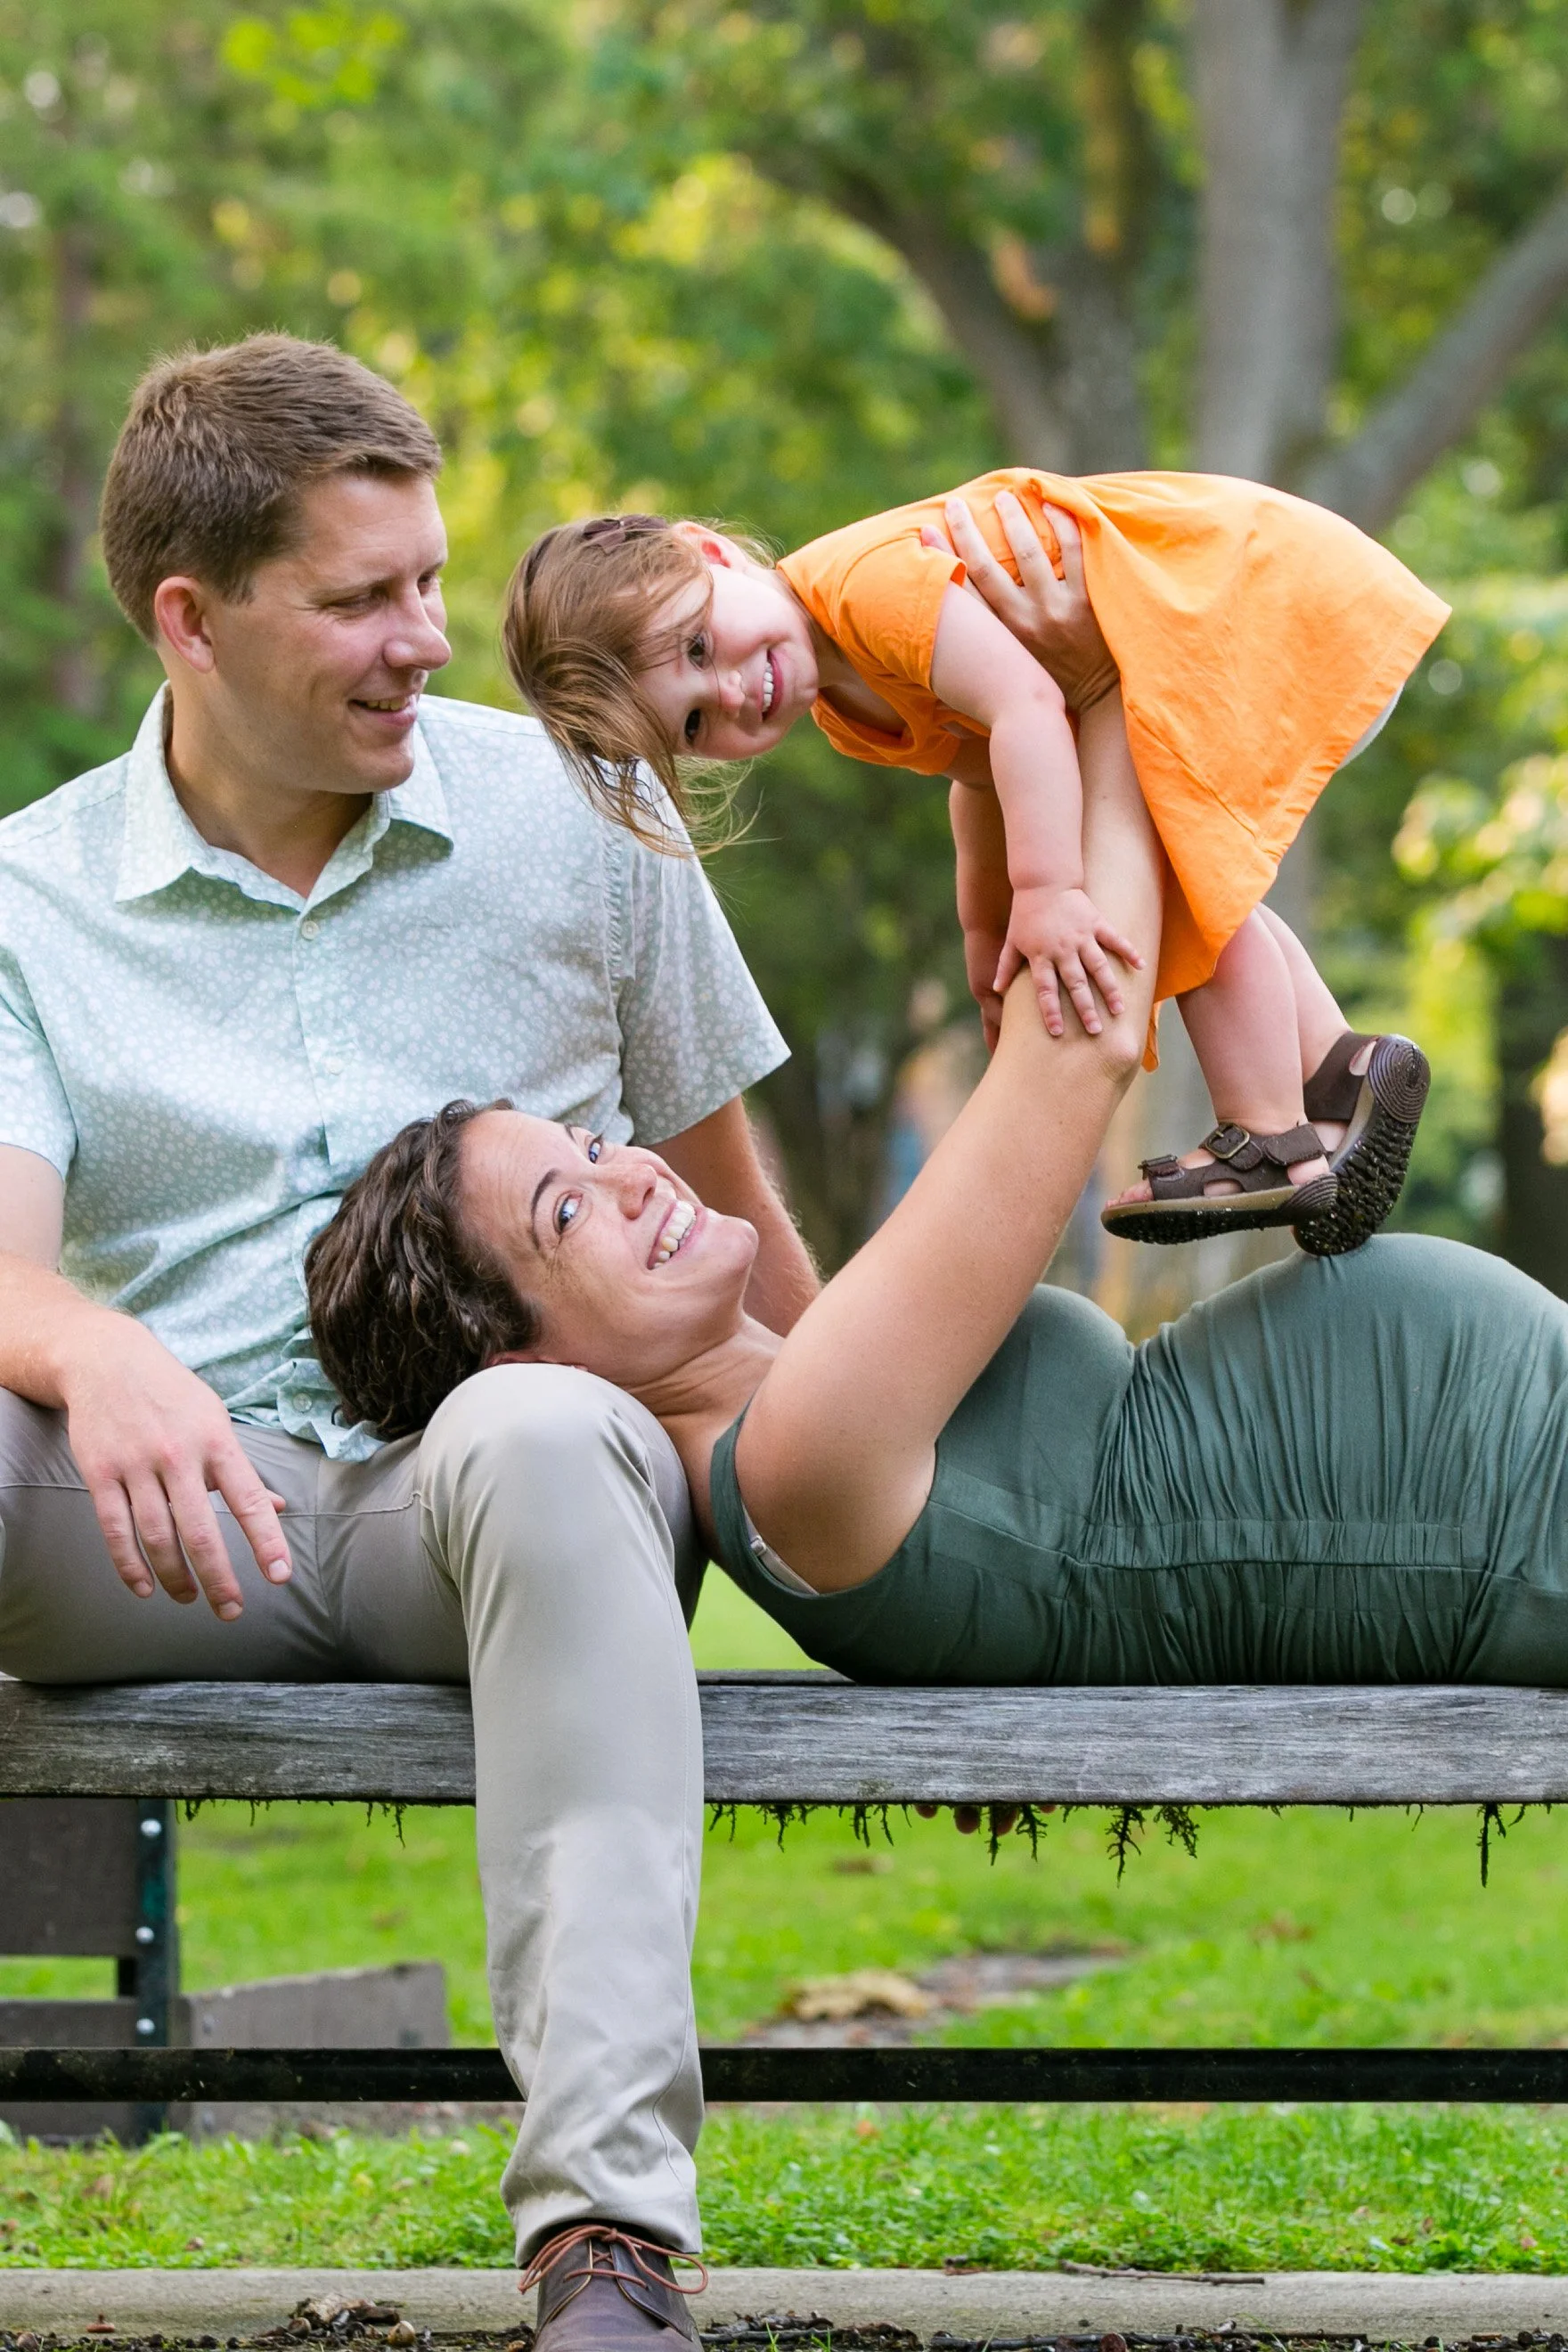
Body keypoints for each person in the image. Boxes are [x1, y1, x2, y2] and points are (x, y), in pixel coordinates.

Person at [0, 332, 826, 2348]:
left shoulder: (577, 813)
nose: (425, 638)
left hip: (497, 1501)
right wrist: (103, 1358)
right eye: (363, 599)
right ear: (190, 619)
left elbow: (753, 1231)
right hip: (166, 1518)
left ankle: (605, 2245)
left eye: (433, 583)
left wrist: (883, 1498)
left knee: (544, 1434)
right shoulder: (24, 896)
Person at [309, 683, 1568, 1719]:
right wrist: (1110, 686)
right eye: (565, 1213)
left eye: (588, 1145)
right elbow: (1075, 1044)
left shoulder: (806, 1402)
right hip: (1515, 1517)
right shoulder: (799, 1459)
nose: (633, 1173)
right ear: (519, 1359)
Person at [502, 470, 1450, 1254]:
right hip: (1237, 610)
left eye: (700, 643)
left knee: (1167, 878)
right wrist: (986, 925)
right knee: (1164, 861)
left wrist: (1047, 891)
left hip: (1244, 601)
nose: (733, 690)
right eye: (696, 722)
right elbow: (983, 776)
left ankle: (1270, 1134)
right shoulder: (843, 697)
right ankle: (1341, 1071)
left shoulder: (862, 587)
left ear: (709, 553)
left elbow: (1029, 708)